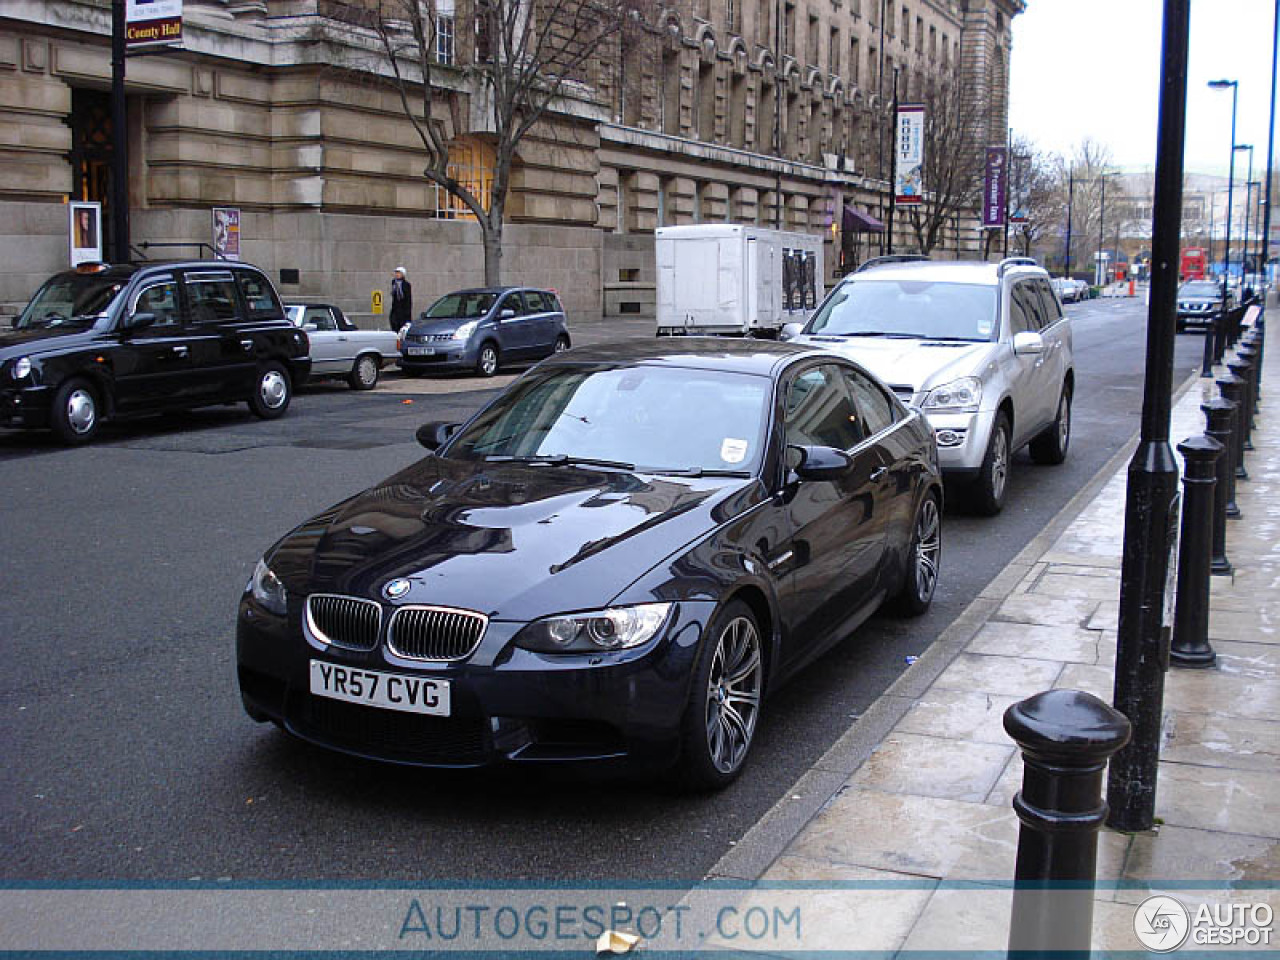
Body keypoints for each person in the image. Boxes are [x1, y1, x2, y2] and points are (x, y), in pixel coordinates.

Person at [390, 267, 412, 332]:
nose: (397, 274)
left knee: (402, 327)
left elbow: (408, 299)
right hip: (395, 309)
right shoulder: (394, 283)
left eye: (399, 273)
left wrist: (407, 313)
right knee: (394, 324)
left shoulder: (406, 285)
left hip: (403, 310)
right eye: (396, 273)